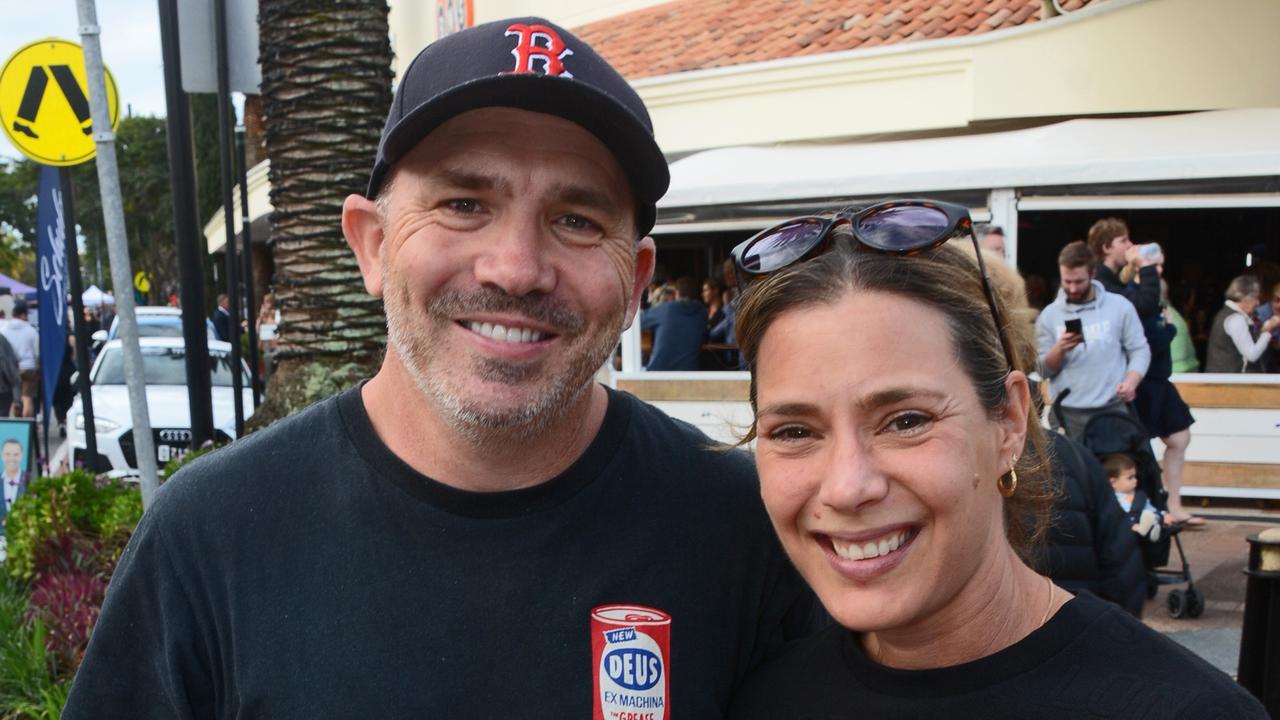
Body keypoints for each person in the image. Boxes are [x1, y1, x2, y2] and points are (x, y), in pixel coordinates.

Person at [65, 18, 821, 717]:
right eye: (463, 203)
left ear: (635, 281)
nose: (517, 269)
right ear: (372, 244)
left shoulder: (744, 525)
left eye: (576, 221)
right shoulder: (211, 535)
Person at [720, 199, 1265, 718]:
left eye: (906, 421)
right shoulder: (767, 700)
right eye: (794, 431)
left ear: (1008, 422)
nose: (846, 486)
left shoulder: (1187, 710)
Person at [1036, 241, 1150, 440]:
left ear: (1092, 274)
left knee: (1115, 470)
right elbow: (1041, 371)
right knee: (1071, 471)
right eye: (1066, 281)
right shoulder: (1049, 315)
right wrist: (1059, 349)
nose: (1072, 288)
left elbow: (1140, 350)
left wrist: (1131, 382)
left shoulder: (1120, 307)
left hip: (1111, 408)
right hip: (1067, 411)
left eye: (1078, 281)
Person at [1205, 275, 1280, 372]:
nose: (1258, 303)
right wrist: (1268, 331)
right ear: (1245, 298)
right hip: (1229, 381)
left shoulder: (1226, 314)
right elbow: (1252, 355)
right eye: (1256, 298)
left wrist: (1264, 331)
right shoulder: (1236, 319)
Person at [1088, 217, 1162, 316]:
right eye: (1123, 241)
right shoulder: (1101, 284)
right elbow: (1144, 305)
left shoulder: (1112, 280)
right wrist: (1145, 265)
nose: (1130, 245)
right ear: (1106, 248)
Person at [1104, 453, 1173, 542]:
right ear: (1113, 483)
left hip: (1143, 519)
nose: (1135, 480)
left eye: (1135, 477)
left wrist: (1163, 515)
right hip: (1124, 526)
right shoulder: (1111, 498)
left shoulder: (1140, 496)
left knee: (1151, 515)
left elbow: (1150, 509)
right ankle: (1147, 529)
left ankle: (1152, 528)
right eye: (1130, 478)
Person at [641, 276, 706, 370]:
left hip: (658, 373)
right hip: (689, 372)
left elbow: (637, 322)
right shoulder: (703, 313)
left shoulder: (666, 309)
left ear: (677, 294)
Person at [0, 301, 39, 418]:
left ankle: (16, 424)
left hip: (10, 370)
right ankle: (27, 426)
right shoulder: (31, 331)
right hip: (29, 367)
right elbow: (37, 352)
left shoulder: (4, 330)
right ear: (23, 315)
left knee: (13, 400)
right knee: (27, 398)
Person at [0, 439, 28, 527]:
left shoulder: (30, 480)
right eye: (8, 454)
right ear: (2, 455)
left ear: (21, 456)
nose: (11, 458)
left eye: (15, 454)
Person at [0, 327, 19, 419]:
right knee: (2, 415)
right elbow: (7, 363)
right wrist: (14, 382)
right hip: (3, 387)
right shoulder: (2, 339)